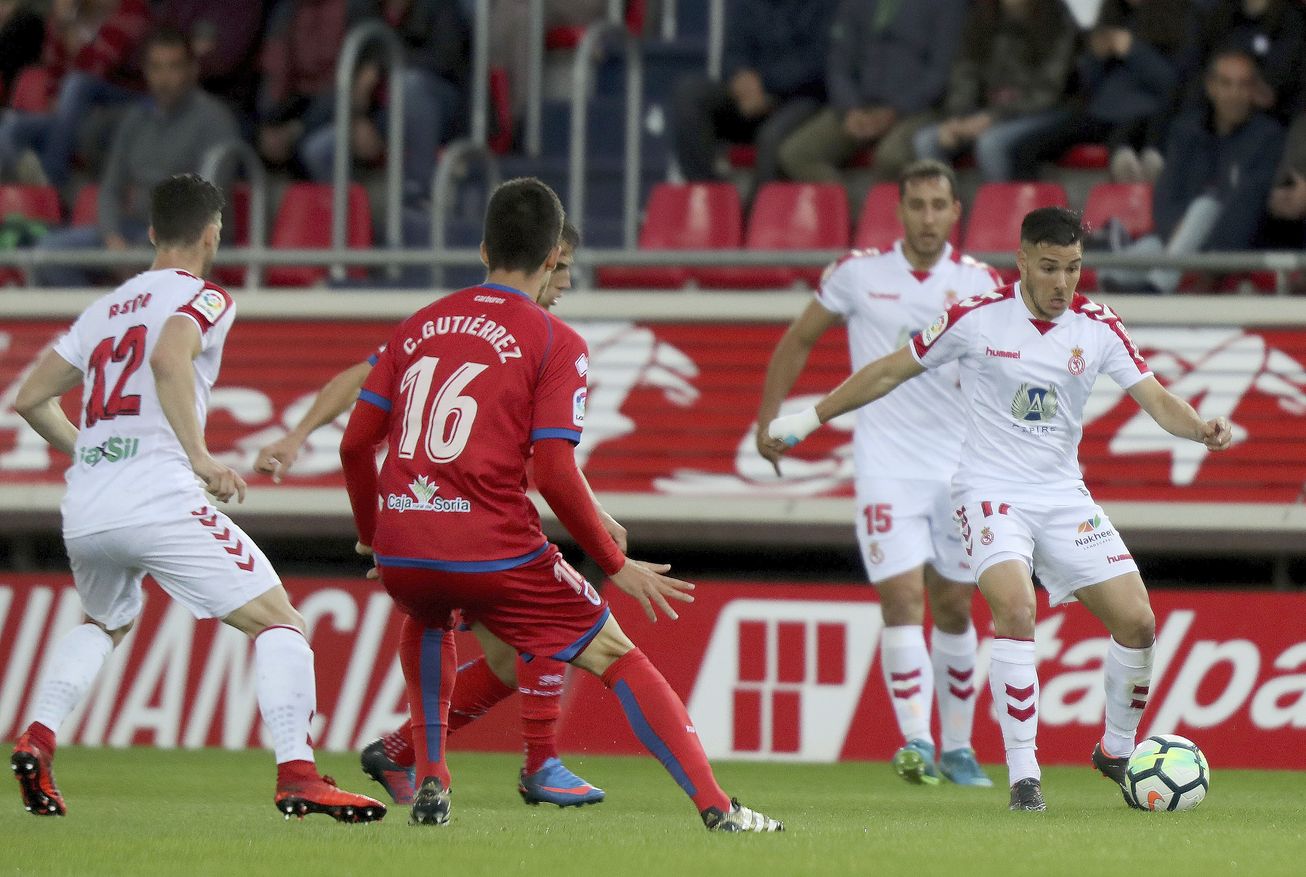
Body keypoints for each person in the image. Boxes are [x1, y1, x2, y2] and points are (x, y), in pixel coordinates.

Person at [339, 176, 782, 831]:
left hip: (406, 540)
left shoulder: (416, 326)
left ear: (484, 247)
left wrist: (377, 536)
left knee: (428, 617)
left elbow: (354, 446)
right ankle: (718, 807)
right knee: (613, 651)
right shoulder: (554, 340)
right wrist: (613, 560)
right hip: (493, 547)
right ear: (553, 257)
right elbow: (553, 468)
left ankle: (431, 775)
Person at [765, 207, 1233, 811]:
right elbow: (887, 372)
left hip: (1062, 495)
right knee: (1015, 607)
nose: (1062, 283)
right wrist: (808, 419)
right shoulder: (976, 318)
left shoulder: (1097, 325)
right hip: (989, 491)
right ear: (1021, 263)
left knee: (1138, 622)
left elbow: (1157, 399)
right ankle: (1024, 778)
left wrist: (1200, 429)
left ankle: (1117, 751)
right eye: (1048, 268)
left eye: (1073, 268)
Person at [10, 174, 385, 822]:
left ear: (152, 231)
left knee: (107, 621)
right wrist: (199, 454)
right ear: (213, 235)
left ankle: (37, 737)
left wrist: (96, 456)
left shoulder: (104, 311)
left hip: (91, 505)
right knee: (280, 622)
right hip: (158, 495)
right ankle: (298, 774)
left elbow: (29, 399)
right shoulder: (206, 296)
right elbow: (168, 354)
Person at [254, 223, 614, 808]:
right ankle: (533, 760)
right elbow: (363, 380)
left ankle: (401, 752)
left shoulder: (527, 336)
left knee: (501, 660)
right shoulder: (489, 333)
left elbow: (549, 455)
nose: (566, 281)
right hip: (462, 516)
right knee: (535, 615)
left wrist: (595, 508)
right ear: (543, 260)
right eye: (562, 265)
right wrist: (298, 433)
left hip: (466, 515)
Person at [755, 160, 999, 788]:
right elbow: (797, 340)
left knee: (952, 605)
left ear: (954, 212)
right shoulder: (858, 273)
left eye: (937, 205)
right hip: (886, 467)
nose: (926, 217)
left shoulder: (980, 283)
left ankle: (961, 748)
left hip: (959, 468)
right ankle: (917, 740)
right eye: (915, 204)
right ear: (899, 209)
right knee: (901, 598)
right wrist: (770, 418)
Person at [32, 28, 241, 288]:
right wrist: (112, 239)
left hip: (191, 240)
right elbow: (110, 189)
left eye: (173, 67)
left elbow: (206, 205)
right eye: (156, 67)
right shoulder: (136, 119)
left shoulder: (215, 120)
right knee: (46, 254)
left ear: (192, 70)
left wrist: (140, 249)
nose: (164, 78)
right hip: (134, 232)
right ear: (146, 71)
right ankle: (104, 324)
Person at [1100, 48, 1284, 293]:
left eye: (1243, 85)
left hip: (1226, 251)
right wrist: (1175, 231)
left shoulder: (1267, 138)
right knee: (1115, 267)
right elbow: (1165, 196)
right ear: (1211, 87)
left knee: (1205, 206)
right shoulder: (1187, 130)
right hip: (1175, 242)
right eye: (1226, 84)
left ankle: (1158, 287)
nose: (1234, 94)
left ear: (1254, 91)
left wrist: (1202, 249)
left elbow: (1247, 209)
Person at [777, 0, 967, 185]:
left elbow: (940, 74)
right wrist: (850, 108)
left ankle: (885, 213)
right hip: (860, 105)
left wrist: (895, 111)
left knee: (890, 157)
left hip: (918, 108)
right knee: (797, 153)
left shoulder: (947, 4)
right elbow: (839, 64)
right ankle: (847, 211)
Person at [670, 0, 835, 193]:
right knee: (690, 93)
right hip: (750, 99)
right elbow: (732, 53)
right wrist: (741, 77)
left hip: (804, 97)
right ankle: (709, 197)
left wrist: (766, 86)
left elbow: (822, 64)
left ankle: (758, 216)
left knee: (771, 138)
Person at [911, 0, 1076, 183]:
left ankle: (1002, 209)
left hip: (1044, 111)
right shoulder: (981, 16)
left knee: (991, 144)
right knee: (927, 140)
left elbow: (1049, 91)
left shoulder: (1057, 18)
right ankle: (944, 209)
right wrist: (958, 117)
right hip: (986, 112)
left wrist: (993, 117)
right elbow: (965, 73)